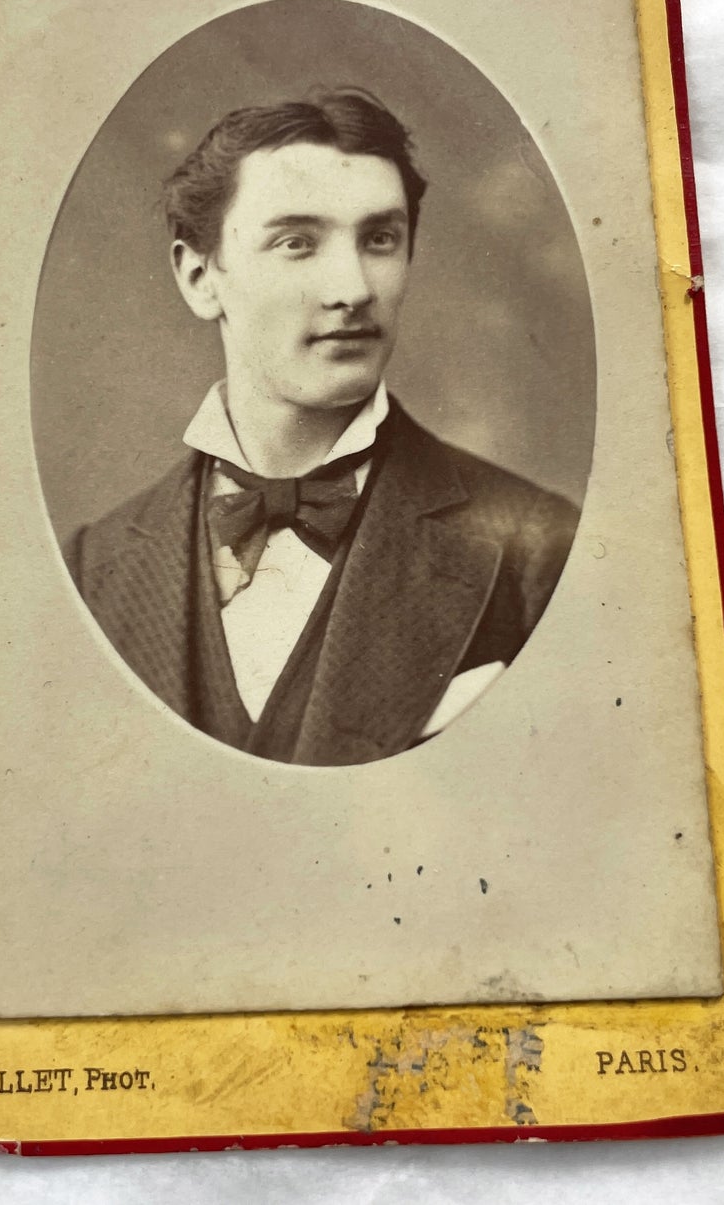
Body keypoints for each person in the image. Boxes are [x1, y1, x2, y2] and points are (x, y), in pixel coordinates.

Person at [66, 88, 579, 766]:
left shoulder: (533, 550)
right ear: (199, 277)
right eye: (296, 242)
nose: (354, 286)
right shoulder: (87, 571)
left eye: (379, 239)